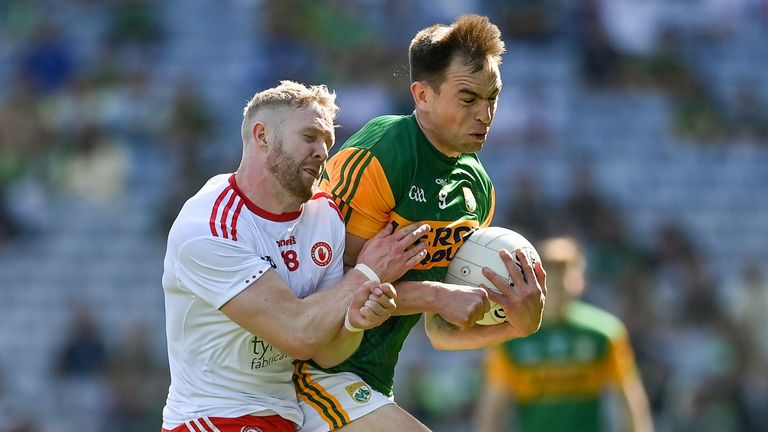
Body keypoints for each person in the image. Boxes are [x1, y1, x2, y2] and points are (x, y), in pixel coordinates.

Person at [296, 15, 547, 431]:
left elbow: (441, 331)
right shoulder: (386, 150)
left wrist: (518, 325)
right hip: (310, 370)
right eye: (468, 99)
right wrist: (434, 293)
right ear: (422, 94)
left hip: (371, 382)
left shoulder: (478, 187)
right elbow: (332, 286)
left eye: (493, 98)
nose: (485, 114)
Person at [160, 80, 431, 432]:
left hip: (291, 408)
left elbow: (325, 351)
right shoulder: (209, 225)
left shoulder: (325, 215)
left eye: (327, 142)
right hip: (215, 415)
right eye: (309, 137)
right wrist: (367, 272)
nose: (322, 152)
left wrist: (354, 321)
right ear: (262, 136)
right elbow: (298, 335)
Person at [474, 237, 654, 432]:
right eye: (551, 273)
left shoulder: (604, 333)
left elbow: (629, 398)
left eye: (566, 272)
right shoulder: (511, 337)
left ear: (581, 279)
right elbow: (494, 407)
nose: (560, 283)